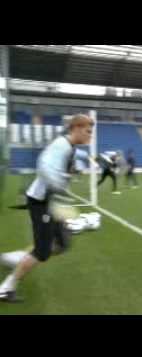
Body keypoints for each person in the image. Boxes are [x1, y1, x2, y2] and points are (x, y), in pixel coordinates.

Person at [0, 114, 94, 303]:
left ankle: (13, 259)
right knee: (42, 251)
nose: (90, 135)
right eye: (88, 131)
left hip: (51, 202)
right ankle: (5, 288)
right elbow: (44, 166)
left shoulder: (70, 147)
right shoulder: (61, 146)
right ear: (75, 128)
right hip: (42, 202)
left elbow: (67, 163)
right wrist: (59, 191)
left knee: (61, 244)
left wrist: (78, 166)